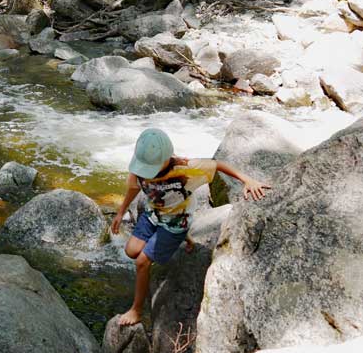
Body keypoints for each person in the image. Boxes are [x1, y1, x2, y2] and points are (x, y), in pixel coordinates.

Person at [111, 127, 270, 326]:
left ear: (166, 159)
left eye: (150, 168)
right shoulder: (141, 165)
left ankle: (136, 310)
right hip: (153, 215)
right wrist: (120, 212)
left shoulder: (186, 169)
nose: (145, 172)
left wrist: (248, 180)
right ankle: (180, 240)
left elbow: (218, 164)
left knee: (142, 262)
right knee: (131, 251)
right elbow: (134, 187)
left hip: (175, 223)